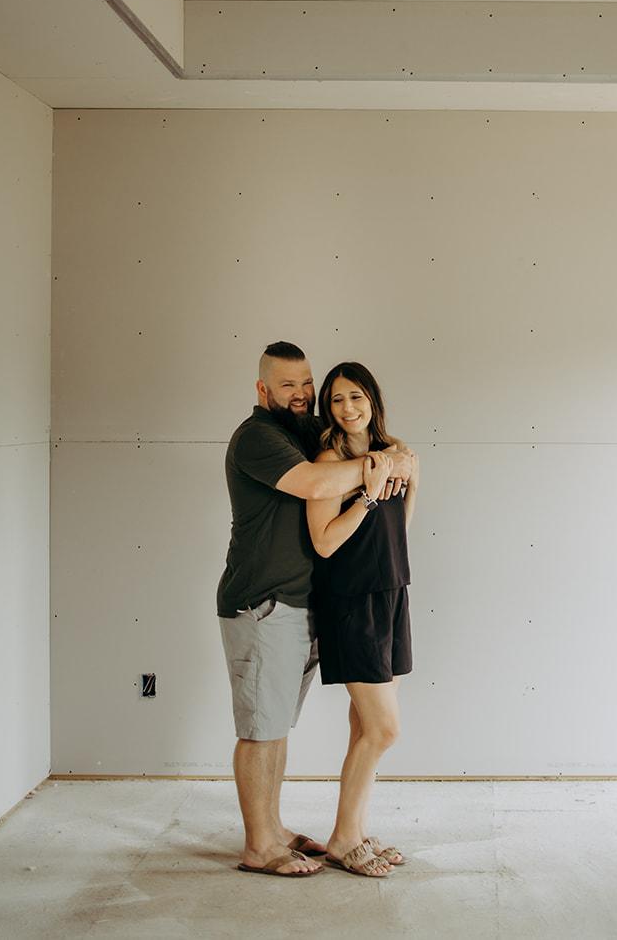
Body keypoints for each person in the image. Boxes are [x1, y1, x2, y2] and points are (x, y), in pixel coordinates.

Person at [216, 342, 412, 878]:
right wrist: (383, 466)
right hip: (262, 602)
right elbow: (317, 482)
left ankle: (273, 828)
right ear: (263, 390)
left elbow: (356, 447)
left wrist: (393, 457)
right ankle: (260, 846)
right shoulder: (257, 436)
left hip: (303, 602)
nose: (302, 394)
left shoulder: (301, 432)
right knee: (261, 728)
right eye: (288, 385)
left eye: (306, 382)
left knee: (276, 723)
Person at [306, 361, 420, 878]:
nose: (347, 408)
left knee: (363, 728)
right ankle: (342, 839)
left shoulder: (395, 452)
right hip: (351, 602)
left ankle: (353, 830)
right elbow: (325, 542)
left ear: (372, 399)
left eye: (355, 396)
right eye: (336, 399)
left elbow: (401, 524)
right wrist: (369, 496)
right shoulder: (330, 462)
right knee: (384, 729)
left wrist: (404, 475)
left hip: (391, 593)